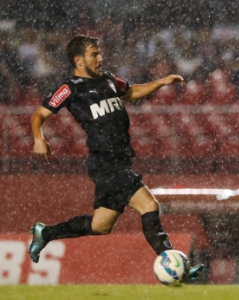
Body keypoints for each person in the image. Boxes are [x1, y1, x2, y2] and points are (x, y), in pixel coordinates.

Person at [29, 35, 204, 280]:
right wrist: (39, 138)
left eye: (100, 53)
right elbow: (39, 115)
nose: (100, 58)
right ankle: (173, 264)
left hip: (120, 160)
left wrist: (162, 82)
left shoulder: (108, 79)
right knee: (149, 205)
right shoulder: (70, 88)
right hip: (105, 163)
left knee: (100, 226)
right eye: (94, 54)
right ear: (78, 60)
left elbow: (131, 93)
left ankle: (45, 233)